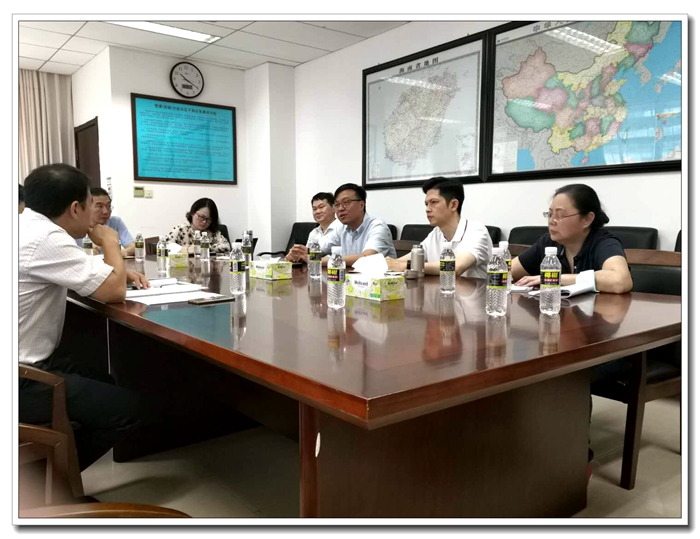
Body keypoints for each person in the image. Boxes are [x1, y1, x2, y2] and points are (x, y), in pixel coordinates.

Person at [19, 164, 149, 471]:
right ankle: (48, 481)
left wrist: (117, 272)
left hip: (25, 362)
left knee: (103, 378)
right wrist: (110, 242)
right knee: (129, 408)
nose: (96, 213)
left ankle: (50, 461)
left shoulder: (25, 226)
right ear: (76, 208)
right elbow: (113, 292)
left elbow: (91, 273)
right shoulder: (46, 238)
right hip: (21, 379)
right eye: (92, 205)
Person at [511, 183, 633, 294]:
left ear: (587, 219)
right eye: (550, 214)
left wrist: (556, 278)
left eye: (560, 215)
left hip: (600, 310)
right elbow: (506, 271)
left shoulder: (604, 243)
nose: (551, 221)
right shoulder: (548, 243)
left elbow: (620, 280)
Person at [386, 177, 492, 279]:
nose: (427, 209)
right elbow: (402, 261)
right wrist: (390, 263)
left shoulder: (477, 231)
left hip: (474, 292)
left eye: (434, 202)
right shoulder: (435, 233)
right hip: (440, 290)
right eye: (426, 204)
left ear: (453, 205)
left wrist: (406, 266)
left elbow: (456, 266)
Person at [322, 183, 396, 266]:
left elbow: (367, 258)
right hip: (349, 274)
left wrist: (320, 261)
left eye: (345, 202)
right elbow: (319, 250)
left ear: (361, 205)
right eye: (337, 204)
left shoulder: (378, 226)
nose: (340, 208)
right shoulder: (340, 228)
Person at [76, 187, 135, 256]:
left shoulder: (115, 222)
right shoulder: (77, 226)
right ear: (87, 207)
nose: (106, 211)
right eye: (100, 206)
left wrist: (124, 252)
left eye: (108, 206)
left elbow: (133, 247)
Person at [286, 192, 341, 262]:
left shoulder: (342, 228)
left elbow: (344, 256)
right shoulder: (314, 233)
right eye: (314, 209)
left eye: (321, 207)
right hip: (314, 267)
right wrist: (295, 255)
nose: (317, 212)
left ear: (334, 208)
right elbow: (307, 255)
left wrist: (308, 254)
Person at [166, 198, 231, 255]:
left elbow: (226, 247)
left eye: (208, 219)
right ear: (192, 213)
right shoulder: (181, 229)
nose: (204, 222)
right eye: (201, 217)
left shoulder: (213, 232)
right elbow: (165, 245)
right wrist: (185, 250)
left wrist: (206, 248)